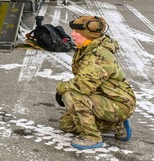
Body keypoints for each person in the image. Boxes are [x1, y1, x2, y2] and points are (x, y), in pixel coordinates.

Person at [55, 15, 136, 150]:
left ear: (88, 35)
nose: (72, 34)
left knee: (73, 95)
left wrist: (60, 88)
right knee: (66, 125)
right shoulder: (86, 47)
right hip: (103, 95)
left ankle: (91, 137)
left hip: (119, 102)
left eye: (77, 32)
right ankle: (116, 124)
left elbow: (83, 85)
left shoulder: (99, 55)